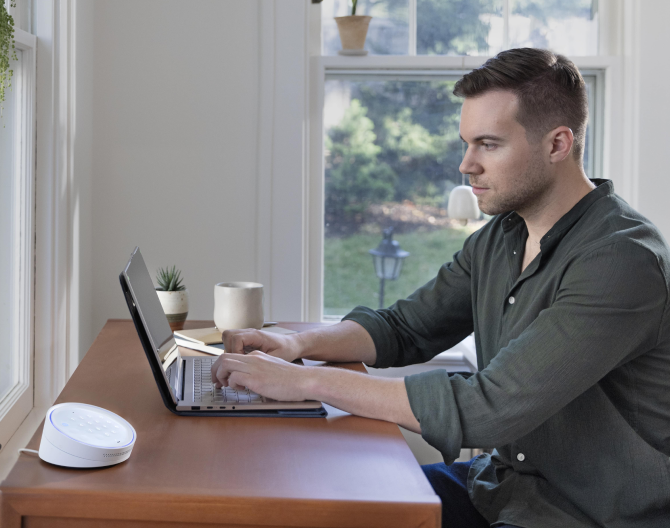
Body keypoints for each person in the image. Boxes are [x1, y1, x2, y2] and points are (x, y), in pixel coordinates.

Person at [211, 48, 670, 527]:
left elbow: (485, 408)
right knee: (330, 505)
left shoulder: (621, 261)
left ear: (557, 144)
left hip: (587, 516)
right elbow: (407, 327)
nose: (466, 164)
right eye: (466, 143)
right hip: (503, 489)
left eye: (488, 145)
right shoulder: (502, 235)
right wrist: (296, 343)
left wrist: (303, 381)